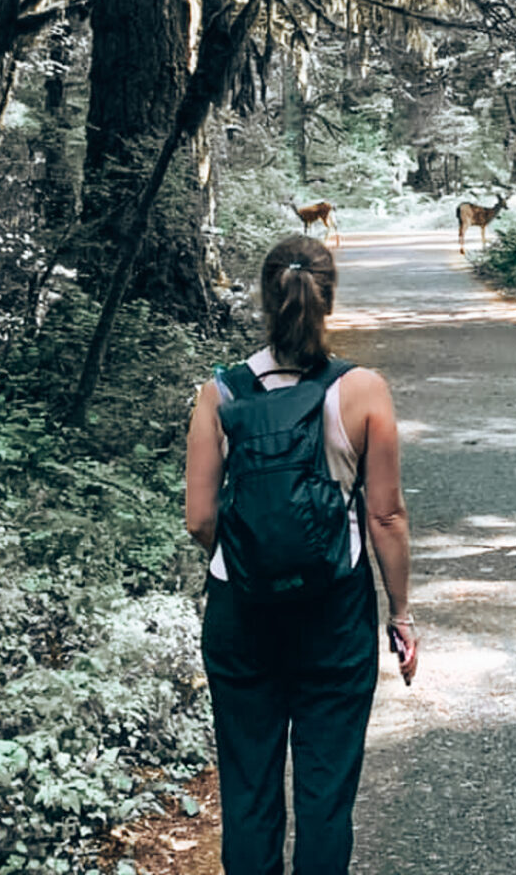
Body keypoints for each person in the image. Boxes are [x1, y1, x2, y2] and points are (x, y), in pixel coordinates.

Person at [185, 234, 418, 874]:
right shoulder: (363, 390)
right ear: (329, 299)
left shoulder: (222, 393)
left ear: (265, 300)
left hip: (240, 613)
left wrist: (254, 556)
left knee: (248, 788)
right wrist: (400, 614)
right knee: (324, 796)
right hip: (334, 613)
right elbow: (386, 516)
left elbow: (200, 518)